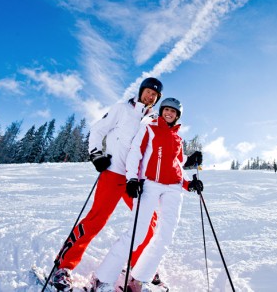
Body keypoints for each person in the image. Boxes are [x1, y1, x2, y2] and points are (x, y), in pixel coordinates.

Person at [52, 78, 202, 291]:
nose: (150, 97)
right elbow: (97, 130)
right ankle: (63, 267)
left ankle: (138, 269)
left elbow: (161, 153)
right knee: (96, 219)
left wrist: (187, 160)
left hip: (138, 180)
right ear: (141, 91)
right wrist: (96, 155)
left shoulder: (153, 119)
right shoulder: (122, 109)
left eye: (154, 95)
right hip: (114, 172)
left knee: (148, 225)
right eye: (148, 92)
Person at [93, 97, 204, 292]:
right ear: (161, 111)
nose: (169, 113)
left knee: (165, 236)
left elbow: (177, 165)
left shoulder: (178, 138)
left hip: (173, 188)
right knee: (136, 234)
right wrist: (132, 179)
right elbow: (136, 152)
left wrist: (189, 184)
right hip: (150, 184)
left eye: (173, 111)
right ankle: (102, 279)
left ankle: (139, 279)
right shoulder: (150, 128)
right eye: (166, 110)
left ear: (178, 116)